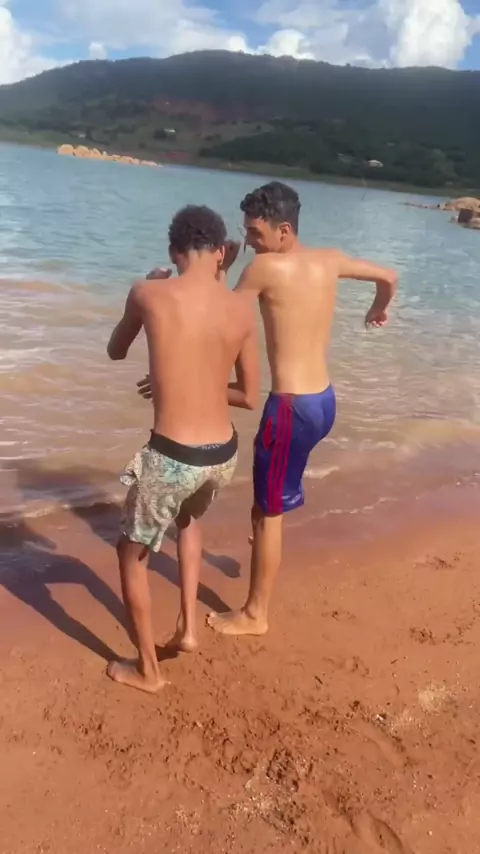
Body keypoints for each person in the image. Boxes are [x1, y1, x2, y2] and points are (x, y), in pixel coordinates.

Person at [204, 181, 398, 637]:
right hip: (323, 403)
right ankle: (266, 537)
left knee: (266, 514)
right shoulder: (329, 259)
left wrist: (219, 271)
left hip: (290, 411)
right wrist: (377, 310)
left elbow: (221, 318)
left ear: (284, 230)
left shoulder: (263, 267)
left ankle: (255, 614)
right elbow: (389, 276)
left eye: (255, 232)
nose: (249, 240)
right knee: (273, 502)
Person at [106, 205, 259, 693]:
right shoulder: (241, 308)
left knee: (129, 555)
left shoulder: (148, 292)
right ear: (221, 252)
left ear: (173, 252)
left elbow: (115, 350)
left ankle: (148, 672)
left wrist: (146, 288)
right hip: (222, 455)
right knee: (188, 520)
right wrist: (191, 380)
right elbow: (247, 395)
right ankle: (189, 628)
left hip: (173, 457)